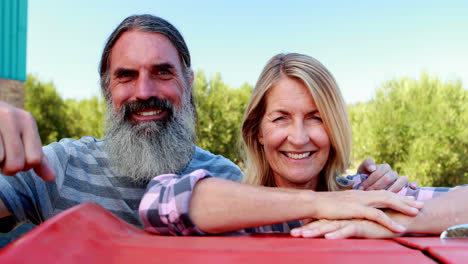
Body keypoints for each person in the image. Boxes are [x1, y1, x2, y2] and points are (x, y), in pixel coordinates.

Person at [1, 14, 414, 234]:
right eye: (126, 76)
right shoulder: (59, 166)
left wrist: (371, 192)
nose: (144, 90)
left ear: (189, 83)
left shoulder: (226, 177)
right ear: (106, 89)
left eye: (162, 72)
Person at [139, 52, 467, 237]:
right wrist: (316, 204)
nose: (299, 137)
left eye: (316, 117)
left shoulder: (364, 198)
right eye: (281, 118)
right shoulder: (232, 203)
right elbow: (156, 203)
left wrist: (385, 222)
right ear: (259, 132)